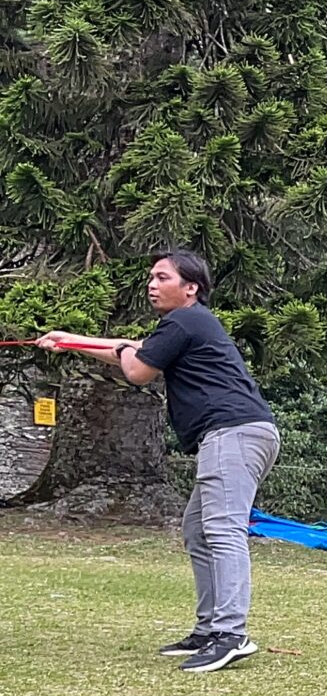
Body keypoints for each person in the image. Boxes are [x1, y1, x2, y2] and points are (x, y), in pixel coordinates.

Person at [40, 249, 278, 673]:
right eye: (151, 277)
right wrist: (71, 340)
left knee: (223, 529)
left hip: (232, 433)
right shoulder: (187, 324)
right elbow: (134, 351)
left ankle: (231, 634)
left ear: (191, 288)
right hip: (239, 433)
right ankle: (209, 630)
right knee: (198, 531)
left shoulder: (184, 321)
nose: (152, 284)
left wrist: (105, 346)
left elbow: (136, 370)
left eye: (162, 277)